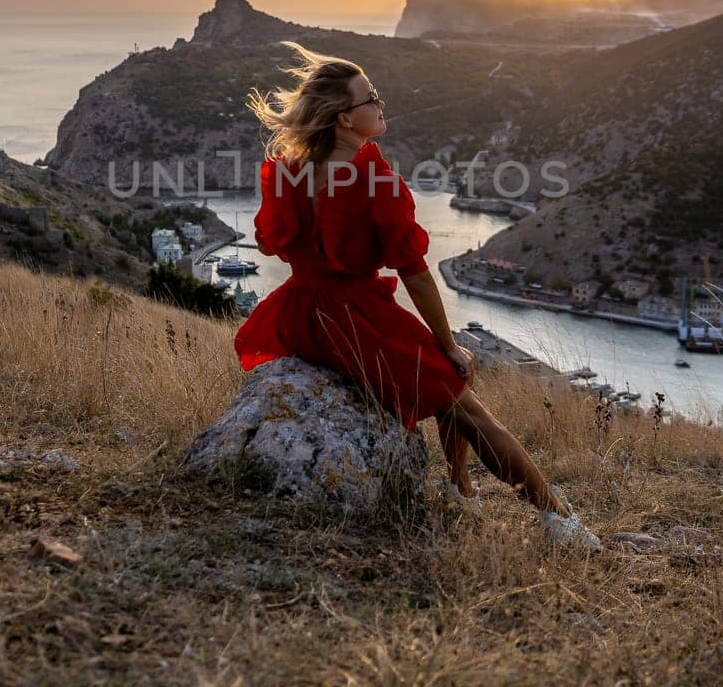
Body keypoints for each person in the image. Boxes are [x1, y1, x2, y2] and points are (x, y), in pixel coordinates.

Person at [234, 41, 602, 549]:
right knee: (465, 398)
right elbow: (417, 273)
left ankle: (461, 489)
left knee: (445, 383)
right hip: (355, 319)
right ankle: (560, 521)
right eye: (371, 98)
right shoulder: (372, 177)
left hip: (302, 316)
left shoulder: (290, 172)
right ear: (344, 119)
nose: (381, 104)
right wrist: (448, 341)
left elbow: (270, 242)